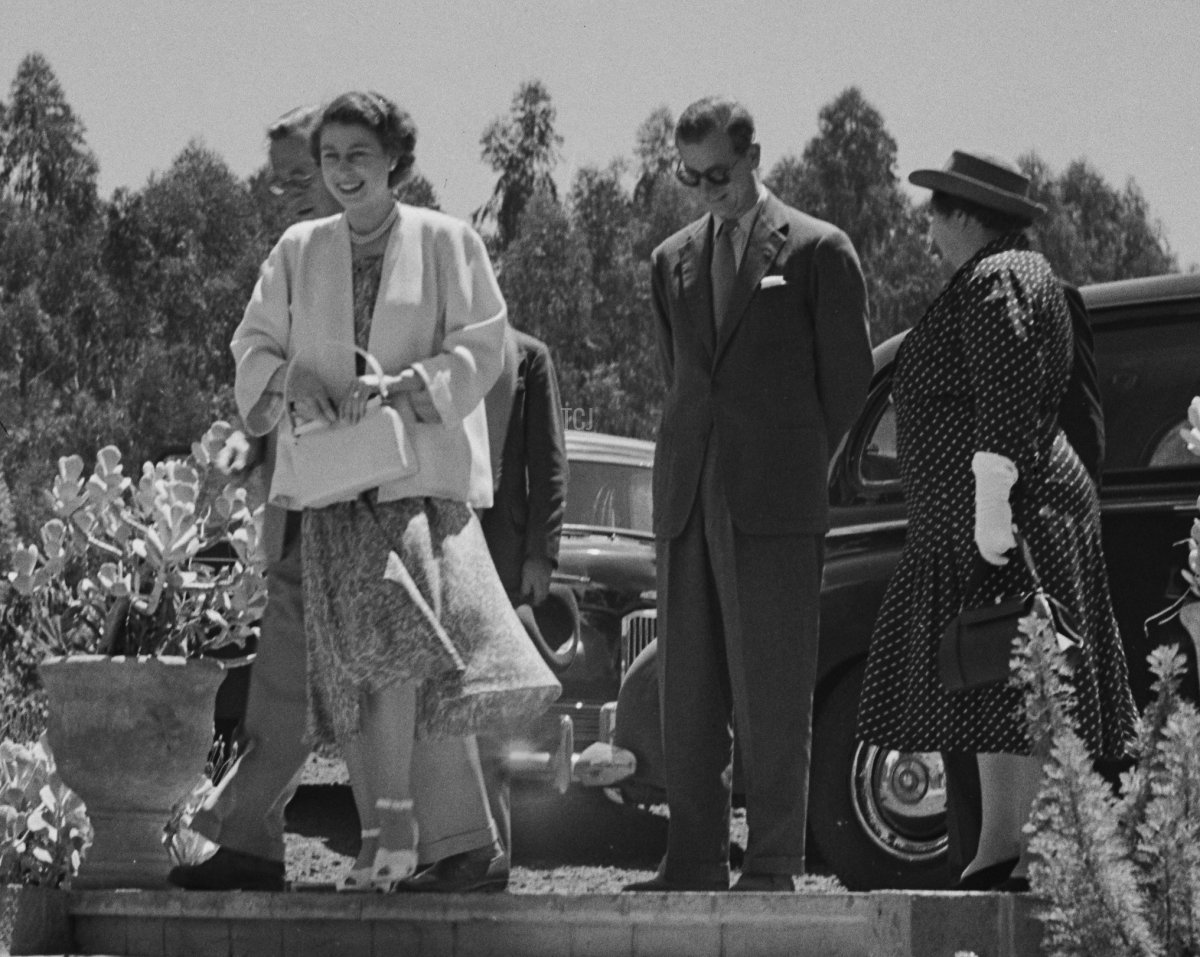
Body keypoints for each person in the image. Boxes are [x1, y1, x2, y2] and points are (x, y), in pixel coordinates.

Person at [172, 94, 511, 893]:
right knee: (290, 673)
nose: (335, 172)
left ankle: (464, 843)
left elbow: (482, 345)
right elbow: (252, 349)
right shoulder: (297, 250)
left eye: (354, 155)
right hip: (319, 491)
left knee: (415, 666)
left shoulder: (446, 240)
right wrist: (293, 380)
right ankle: (251, 839)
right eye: (327, 158)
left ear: (394, 157)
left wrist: (406, 386)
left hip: (412, 489)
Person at [855, 150, 1137, 891]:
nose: (927, 224)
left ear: (967, 215)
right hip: (996, 517)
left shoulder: (1001, 277)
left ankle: (1026, 848)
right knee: (992, 677)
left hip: (1007, 517)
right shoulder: (1000, 273)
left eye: (937, 209)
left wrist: (990, 508)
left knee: (1017, 675)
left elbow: (1005, 391)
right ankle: (1001, 844)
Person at [624, 97, 872, 893]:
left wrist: (791, 468)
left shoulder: (819, 250)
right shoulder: (670, 259)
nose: (705, 192)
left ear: (755, 154)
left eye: (719, 175)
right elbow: (682, 380)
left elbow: (848, 389)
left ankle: (771, 861)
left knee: (773, 689)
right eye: (689, 177)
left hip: (776, 508)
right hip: (685, 503)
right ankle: (692, 856)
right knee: (686, 690)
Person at [476, 326, 567, 857]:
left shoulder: (530, 357)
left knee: (491, 711)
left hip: (504, 560)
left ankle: (493, 852)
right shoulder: (437, 348)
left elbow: (550, 464)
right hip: (438, 549)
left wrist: (540, 554)